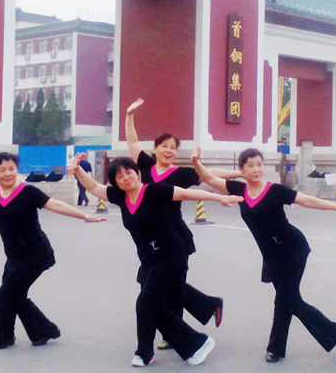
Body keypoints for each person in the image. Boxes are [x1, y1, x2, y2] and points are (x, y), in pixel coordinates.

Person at [191, 147, 336, 364]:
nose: (256, 169)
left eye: (259, 164)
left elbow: (308, 200)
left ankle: (275, 349)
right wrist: (196, 162)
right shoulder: (238, 189)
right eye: (250, 165)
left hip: (293, 250)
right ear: (242, 170)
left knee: (284, 300)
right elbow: (209, 178)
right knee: (291, 301)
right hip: (272, 256)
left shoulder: (275, 191)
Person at [71, 155, 243, 367]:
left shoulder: (153, 191)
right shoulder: (120, 196)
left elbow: (186, 193)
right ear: (115, 182)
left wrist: (218, 198)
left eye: (129, 172)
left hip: (170, 256)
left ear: (137, 173)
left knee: (145, 304)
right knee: (155, 308)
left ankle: (145, 353)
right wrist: (77, 170)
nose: (126, 178)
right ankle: (196, 343)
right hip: (148, 261)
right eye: (119, 176)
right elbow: (93, 187)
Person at [0, 152, 106, 350]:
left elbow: (55, 204)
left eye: (11, 169)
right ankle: (40, 331)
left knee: (8, 292)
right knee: (13, 294)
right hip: (13, 255)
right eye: (2, 170)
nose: (7, 173)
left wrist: (85, 216)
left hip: (36, 253)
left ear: (17, 170)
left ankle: (10, 337)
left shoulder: (28, 192)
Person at [125, 98, 240, 349]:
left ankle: (172, 334)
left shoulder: (181, 174)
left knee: (173, 287)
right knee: (152, 281)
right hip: (151, 238)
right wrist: (129, 115)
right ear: (155, 149)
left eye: (173, 147)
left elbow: (211, 174)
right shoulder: (145, 166)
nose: (169, 150)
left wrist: (241, 173)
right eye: (164, 146)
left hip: (175, 236)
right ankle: (209, 305)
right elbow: (132, 141)